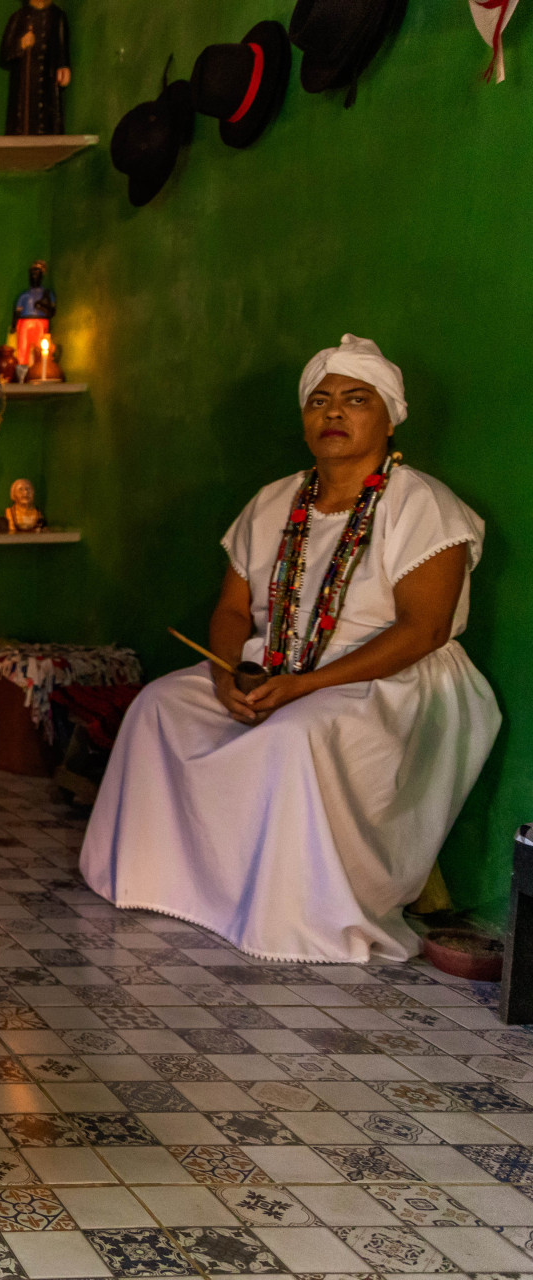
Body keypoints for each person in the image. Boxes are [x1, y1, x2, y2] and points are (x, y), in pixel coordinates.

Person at [81, 336, 499, 963]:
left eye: (355, 400)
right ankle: (168, 885)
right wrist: (229, 675)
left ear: (388, 416)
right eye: (319, 402)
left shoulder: (422, 504)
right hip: (271, 665)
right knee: (158, 708)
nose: (333, 414)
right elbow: (230, 610)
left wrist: (305, 686)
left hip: (391, 680)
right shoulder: (274, 501)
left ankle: (292, 914)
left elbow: (424, 630)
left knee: (292, 735)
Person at [1, 0, 71, 135]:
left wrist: (64, 65)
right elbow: (5, 54)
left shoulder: (58, 16)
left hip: (48, 85)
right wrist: (21, 44)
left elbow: (62, 46)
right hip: (25, 86)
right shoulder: (19, 17)